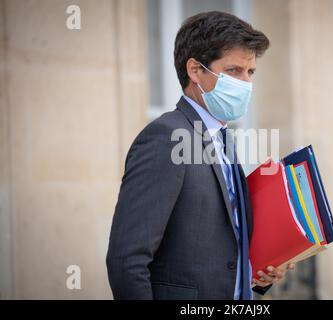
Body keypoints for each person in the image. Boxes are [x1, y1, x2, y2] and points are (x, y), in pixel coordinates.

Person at [106, 11, 294, 300]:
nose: (245, 83)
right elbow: (126, 260)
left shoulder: (224, 138)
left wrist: (257, 273)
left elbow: (220, 247)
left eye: (250, 72)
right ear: (195, 70)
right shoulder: (166, 137)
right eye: (234, 71)